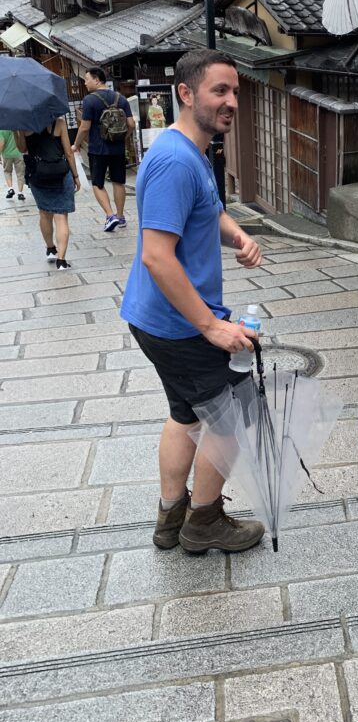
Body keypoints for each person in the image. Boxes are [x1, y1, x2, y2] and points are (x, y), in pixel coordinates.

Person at [120, 48, 265, 555]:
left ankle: (170, 519)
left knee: (186, 414)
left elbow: (210, 211)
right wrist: (211, 327)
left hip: (161, 319)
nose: (230, 102)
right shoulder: (175, 162)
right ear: (186, 93)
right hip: (178, 324)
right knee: (231, 416)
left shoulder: (191, 151)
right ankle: (204, 522)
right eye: (218, 91)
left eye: (234, 93)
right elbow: (158, 257)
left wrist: (237, 235)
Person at [73, 67, 135, 232]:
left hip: (97, 149)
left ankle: (110, 216)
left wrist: (76, 144)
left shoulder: (89, 100)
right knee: (118, 181)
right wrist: (123, 138)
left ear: (97, 80)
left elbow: (85, 127)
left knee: (98, 184)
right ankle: (120, 216)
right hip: (118, 148)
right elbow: (131, 124)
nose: (85, 83)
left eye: (87, 79)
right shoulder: (120, 98)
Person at [14, 117, 80, 270]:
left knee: (44, 213)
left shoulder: (24, 124)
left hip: (38, 174)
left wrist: (16, 132)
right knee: (61, 216)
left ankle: (50, 249)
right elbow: (68, 152)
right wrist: (76, 176)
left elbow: (22, 149)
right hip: (61, 174)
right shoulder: (60, 123)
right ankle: (61, 260)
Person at [0, 129, 26, 201]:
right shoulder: (18, 128)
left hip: (7, 155)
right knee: (20, 174)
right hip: (18, 154)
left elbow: (1, 143)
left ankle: (10, 189)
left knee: (7, 172)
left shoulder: (2, 130)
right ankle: (20, 193)